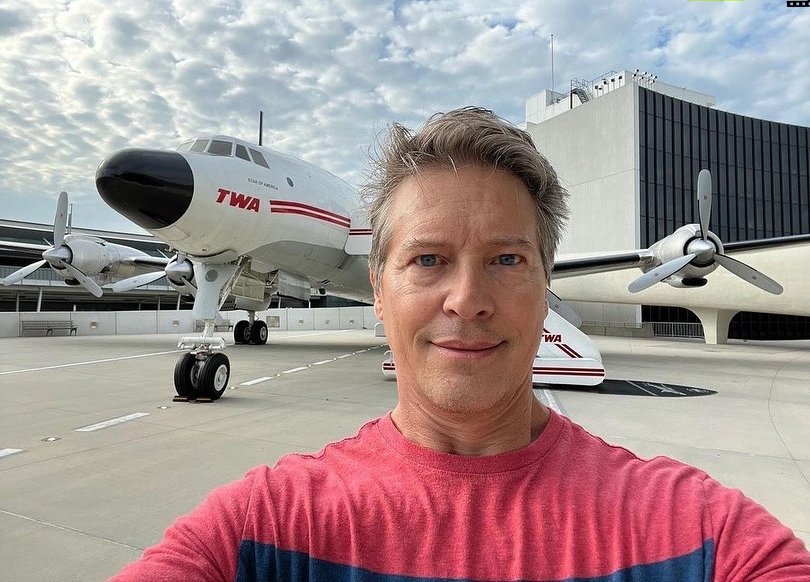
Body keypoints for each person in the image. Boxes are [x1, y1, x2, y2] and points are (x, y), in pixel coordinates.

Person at [110, 107, 810, 581]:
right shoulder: (259, 522)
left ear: (545, 285)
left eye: (508, 259)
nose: (467, 297)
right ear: (380, 286)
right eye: (428, 259)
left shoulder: (704, 531)